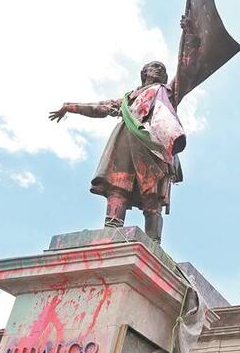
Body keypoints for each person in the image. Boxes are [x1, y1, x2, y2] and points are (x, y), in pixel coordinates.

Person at [48, 61, 186, 243]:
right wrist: (70, 106)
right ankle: (111, 231)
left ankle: (154, 242)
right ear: (144, 73)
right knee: (118, 186)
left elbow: (187, 72)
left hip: (154, 146)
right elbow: (102, 108)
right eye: (155, 67)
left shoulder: (167, 93)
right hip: (126, 142)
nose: (160, 70)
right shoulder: (129, 99)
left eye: (163, 69)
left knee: (153, 197)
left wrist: (192, 44)